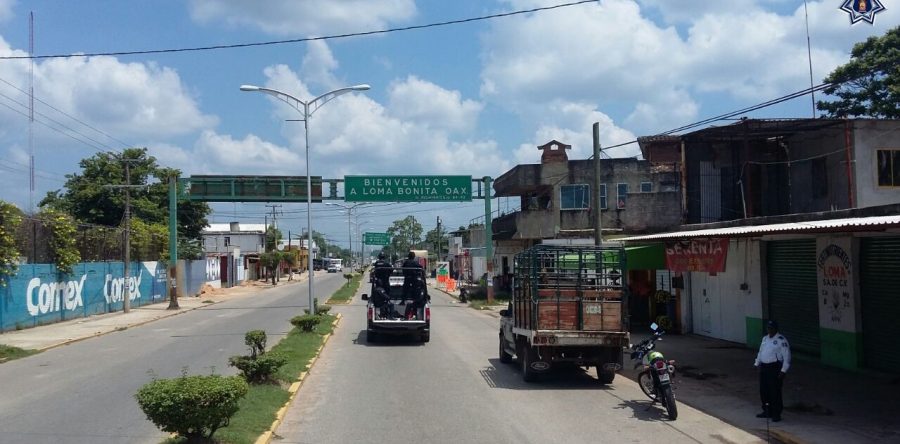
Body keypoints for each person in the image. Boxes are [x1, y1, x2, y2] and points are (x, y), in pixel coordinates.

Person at [754, 320, 791, 422]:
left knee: (774, 392)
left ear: (775, 329)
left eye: (771, 328)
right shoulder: (765, 339)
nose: (769, 330)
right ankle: (767, 411)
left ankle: (776, 413)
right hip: (764, 368)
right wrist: (757, 363)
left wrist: (783, 371)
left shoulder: (781, 340)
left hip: (774, 368)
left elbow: (787, 356)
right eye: (768, 328)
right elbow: (760, 352)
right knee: (764, 391)